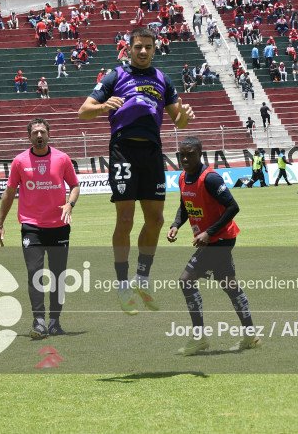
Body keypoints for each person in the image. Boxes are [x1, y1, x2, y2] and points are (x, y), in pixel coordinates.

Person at [78, 27, 194, 314]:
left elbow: (178, 122)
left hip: (153, 152)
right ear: (128, 49)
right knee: (126, 218)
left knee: (156, 220)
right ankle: (121, 286)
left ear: (155, 49)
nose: (143, 51)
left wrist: (185, 118)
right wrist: (104, 105)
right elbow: (84, 110)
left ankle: (142, 279)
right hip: (123, 150)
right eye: (138, 47)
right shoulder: (115, 76)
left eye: (148, 47)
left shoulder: (163, 80)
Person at [168, 136, 261, 354]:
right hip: (213, 239)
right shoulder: (182, 177)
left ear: (200, 154)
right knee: (229, 284)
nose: (185, 158)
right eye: (182, 154)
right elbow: (185, 204)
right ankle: (251, 336)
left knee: (185, 280)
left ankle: (199, 337)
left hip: (220, 239)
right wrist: (176, 225)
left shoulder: (210, 178)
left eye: (190, 154)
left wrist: (208, 233)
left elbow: (232, 206)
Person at [0, 118, 80, 338]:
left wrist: (70, 204)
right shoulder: (19, 161)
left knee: (58, 275)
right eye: (35, 133)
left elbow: (75, 186)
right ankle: (39, 322)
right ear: (29, 137)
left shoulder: (62, 159)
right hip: (31, 227)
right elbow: (9, 193)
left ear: (49, 134)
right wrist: (0, 222)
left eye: (43, 132)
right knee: (35, 273)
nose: (39, 136)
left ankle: (55, 322)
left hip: (59, 227)